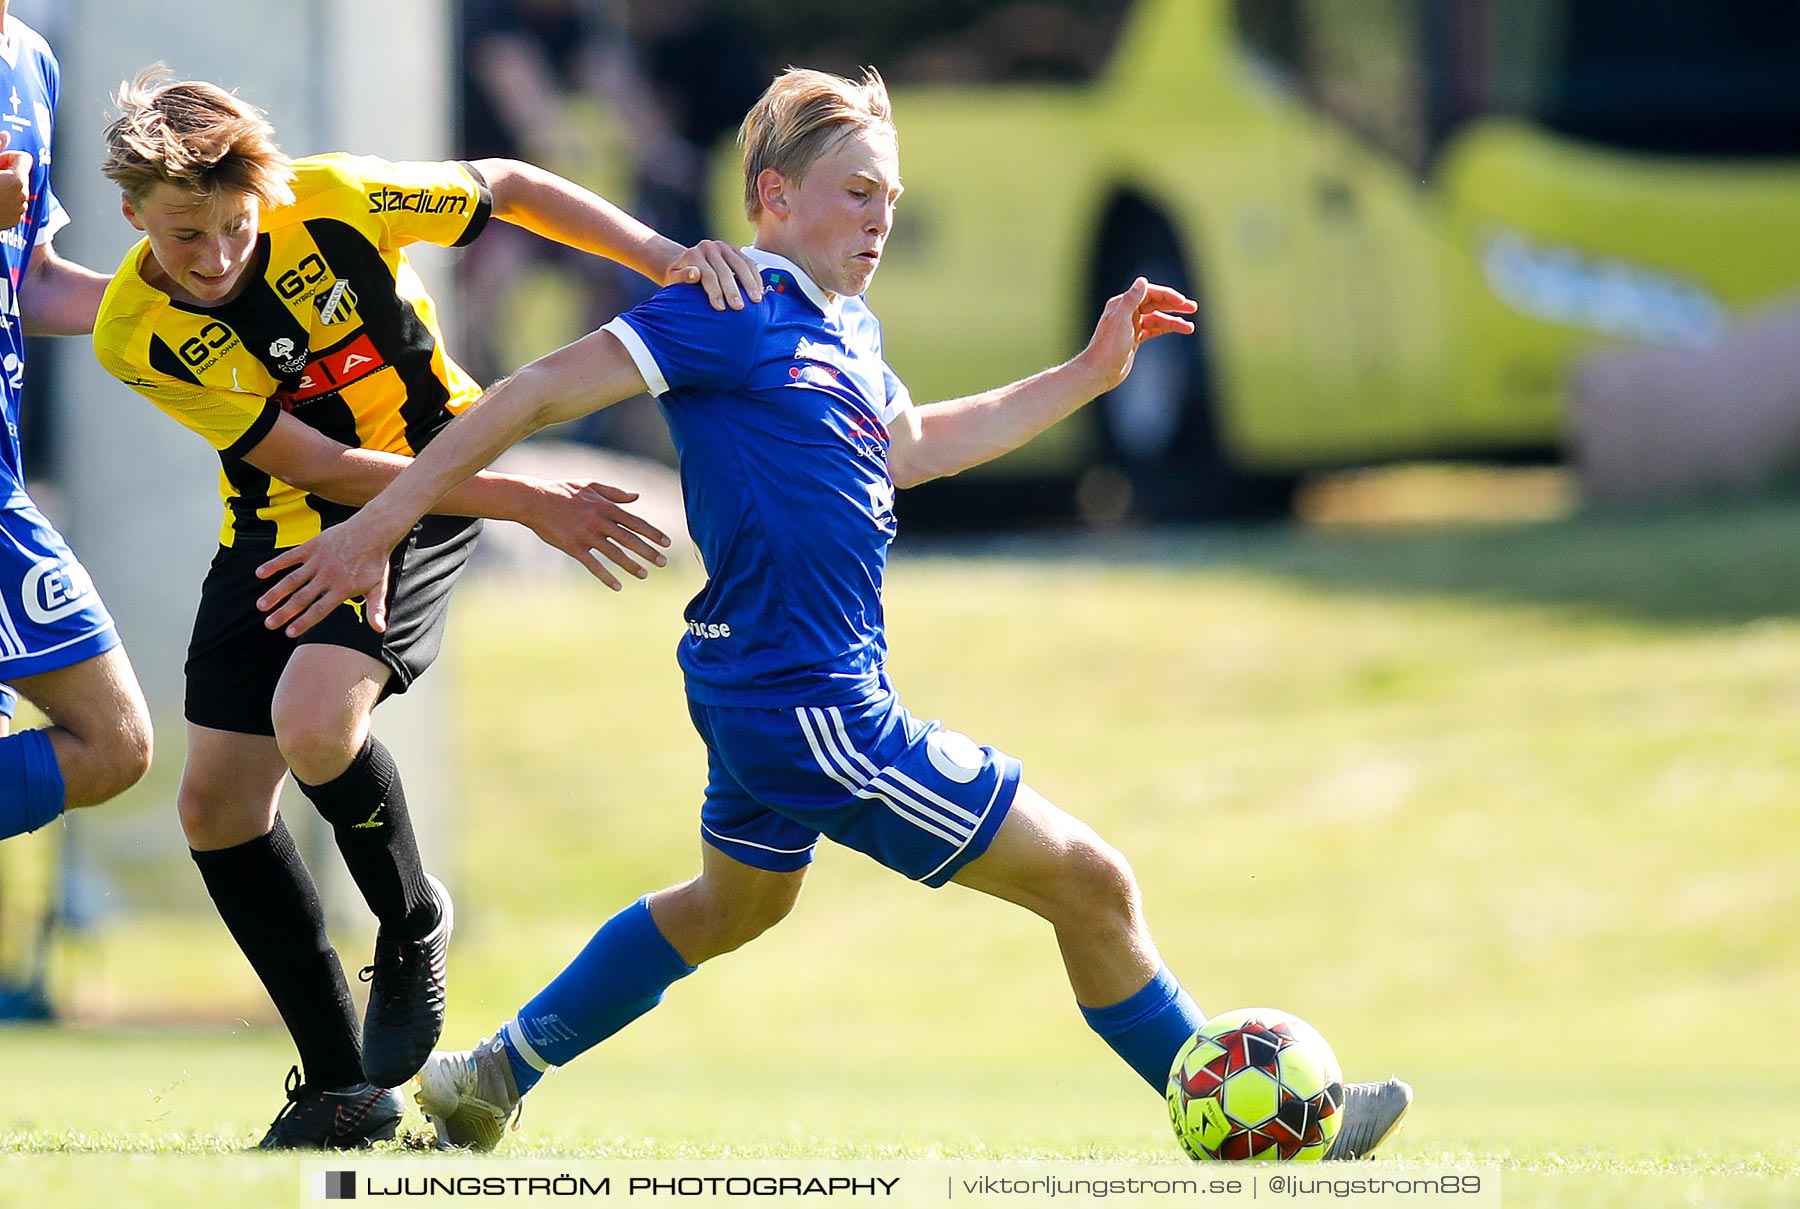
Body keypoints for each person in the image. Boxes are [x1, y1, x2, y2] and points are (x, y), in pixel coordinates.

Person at [256, 68, 1413, 1159]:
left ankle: (490, 1077)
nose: (882, 217)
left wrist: (1088, 376)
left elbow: (915, 446)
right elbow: (535, 390)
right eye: (858, 191)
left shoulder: (847, 331)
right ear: (772, 196)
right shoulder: (728, 306)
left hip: (767, 690)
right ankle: (1260, 1121)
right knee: (1092, 882)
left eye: (892, 198)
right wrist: (379, 523)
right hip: (814, 706)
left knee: (732, 904)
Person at [92, 69, 763, 1149]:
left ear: (261, 197)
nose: (213, 257)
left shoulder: (339, 198)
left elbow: (509, 186)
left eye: (231, 228)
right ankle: (340, 1089)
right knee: (215, 808)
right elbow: (309, 462)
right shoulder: (135, 332)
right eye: (183, 238)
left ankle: (412, 924)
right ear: (133, 216)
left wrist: (662, 257)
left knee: (318, 725)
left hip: (429, 481)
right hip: (284, 519)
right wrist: (532, 500)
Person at [0, 2, 154, 850]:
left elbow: (33, 280)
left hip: (5, 469)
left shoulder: (32, 59)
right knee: (113, 741)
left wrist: (191, 290)